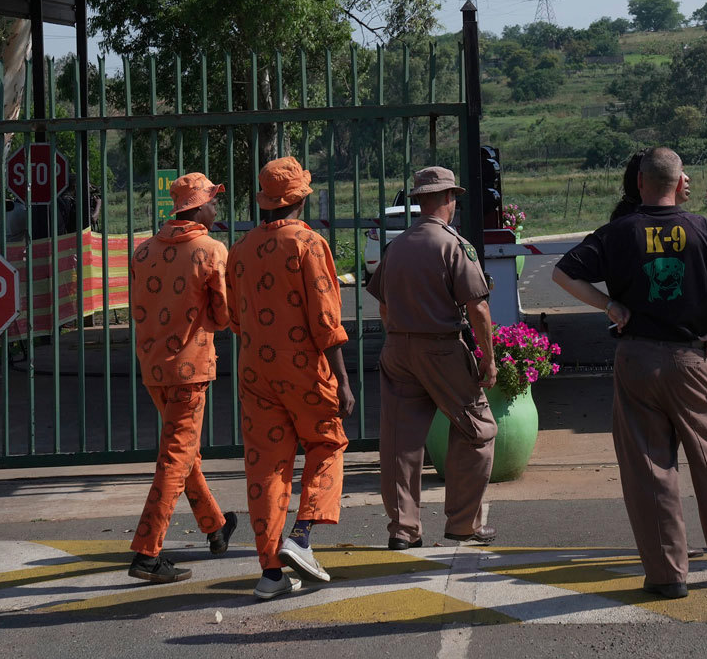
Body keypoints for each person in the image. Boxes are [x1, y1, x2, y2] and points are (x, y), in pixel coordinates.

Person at [552, 146, 707, 599]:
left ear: (640, 183)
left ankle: (668, 575)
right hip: (693, 358)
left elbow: (563, 274)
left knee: (650, 467)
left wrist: (609, 304)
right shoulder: (702, 229)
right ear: (678, 182)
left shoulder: (618, 232)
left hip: (637, 359)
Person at [227, 156, 353, 601]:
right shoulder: (308, 243)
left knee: (266, 467)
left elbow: (235, 317)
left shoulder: (240, 249)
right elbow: (325, 319)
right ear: (300, 197)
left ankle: (271, 573)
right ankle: (300, 536)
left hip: (254, 369)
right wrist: (342, 380)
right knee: (328, 443)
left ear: (265, 200)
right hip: (302, 365)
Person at [367, 165, 498, 549]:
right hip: (440, 347)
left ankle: (403, 530)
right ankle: (462, 523)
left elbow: (384, 308)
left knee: (400, 443)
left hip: (397, 349)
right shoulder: (453, 245)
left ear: (419, 199)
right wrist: (488, 358)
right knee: (477, 429)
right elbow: (478, 308)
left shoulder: (398, 246)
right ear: (447, 199)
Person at [126, 171, 237, 583]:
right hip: (191, 369)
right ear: (197, 207)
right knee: (176, 456)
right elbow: (225, 317)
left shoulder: (142, 252)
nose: (215, 208)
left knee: (182, 451)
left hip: (154, 368)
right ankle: (147, 553)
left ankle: (215, 527)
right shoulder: (210, 250)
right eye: (212, 201)